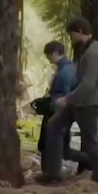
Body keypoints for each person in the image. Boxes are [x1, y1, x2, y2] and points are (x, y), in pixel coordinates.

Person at [41, 16, 98, 187]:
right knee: (54, 125)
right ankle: (53, 173)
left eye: (72, 35)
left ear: (80, 32)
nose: (71, 39)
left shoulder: (94, 52)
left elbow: (88, 84)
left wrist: (67, 99)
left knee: (92, 141)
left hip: (87, 104)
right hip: (77, 103)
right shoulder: (85, 50)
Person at [31, 41, 88, 178]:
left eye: (48, 55)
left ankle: (53, 174)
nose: (48, 59)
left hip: (61, 112)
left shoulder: (66, 71)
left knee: (54, 142)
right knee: (62, 149)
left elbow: (64, 95)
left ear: (56, 53)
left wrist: (49, 105)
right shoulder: (67, 68)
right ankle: (95, 162)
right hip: (62, 110)